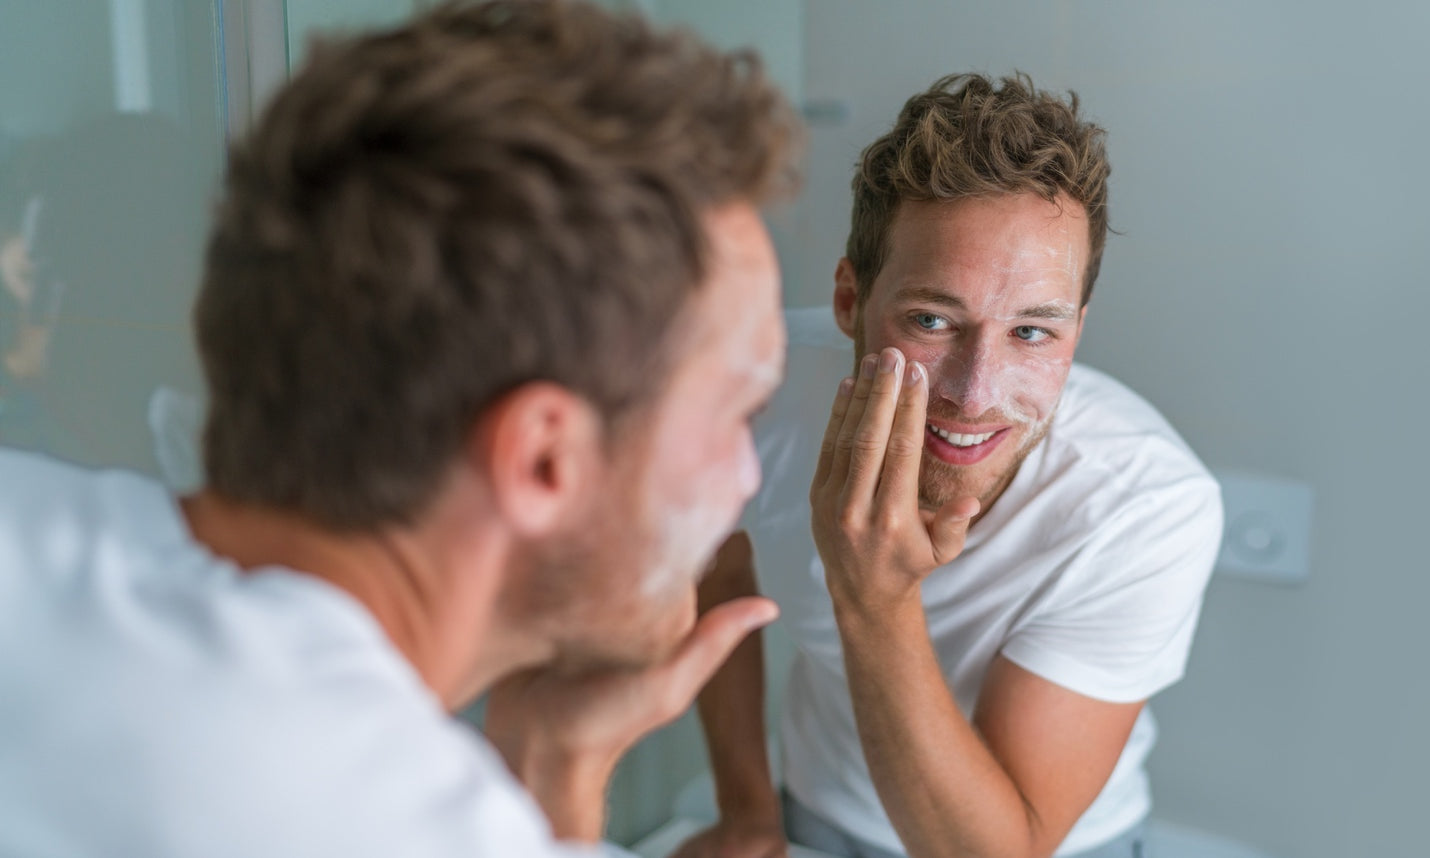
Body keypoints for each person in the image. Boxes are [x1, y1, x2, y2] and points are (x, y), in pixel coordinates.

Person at [0, 1, 801, 855]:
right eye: (735, 414)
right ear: (541, 460)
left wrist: (555, 756)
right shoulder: (393, 822)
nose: (749, 475)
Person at [677, 74, 1222, 858]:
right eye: (932, 320)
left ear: (1079, 327)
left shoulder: (1145, 506)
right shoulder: (753, 390)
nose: (975, 394)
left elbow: (1000, 848)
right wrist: (746, 810)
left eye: (1032, 333)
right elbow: (718, 580)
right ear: (848, 300)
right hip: (815, 815)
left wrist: (873, 595)